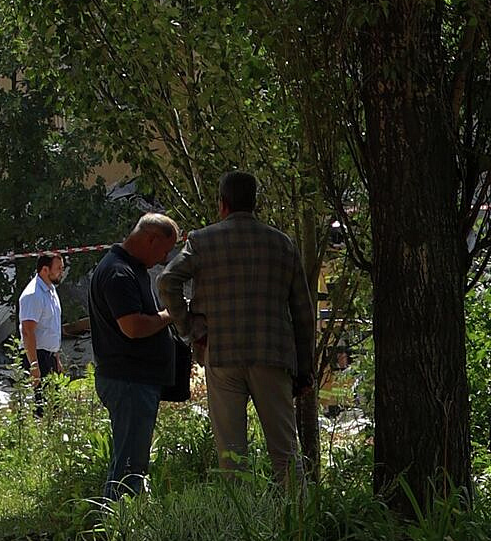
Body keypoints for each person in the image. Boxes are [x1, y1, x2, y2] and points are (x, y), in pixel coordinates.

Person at [158, 172, 316, 484]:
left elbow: (167, 281)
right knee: (285, 452)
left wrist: (190, 327)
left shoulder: (202, 241)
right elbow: (303, 313)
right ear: (255, 203)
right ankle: (300, 526)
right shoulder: (283, 245)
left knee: (231, 454)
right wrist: (305, 369)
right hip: (273, 355)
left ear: (223, 204)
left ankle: (238, 525)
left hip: (223, 353)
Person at [89, 214, 182, 499]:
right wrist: (171, 315)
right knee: (129, 464)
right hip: (128, 381)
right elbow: (133, 327)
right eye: (164, 249)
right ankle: (117, 526)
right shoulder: (119, 272)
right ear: (150, 238)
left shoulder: (132, 268)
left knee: (132, 460)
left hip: (135, 380)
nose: (165, 257)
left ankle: (123, 523)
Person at [19, 252, 66, 413]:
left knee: (54, 405)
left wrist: (56, 357)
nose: (62, 271)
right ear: (45, 270)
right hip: (36, 356)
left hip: (50, 356)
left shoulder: (51, 291)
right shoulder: (33, 294)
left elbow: (51, 327)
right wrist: (34, 366)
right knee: (41, 408)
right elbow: (27, 331)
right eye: (58, 268)